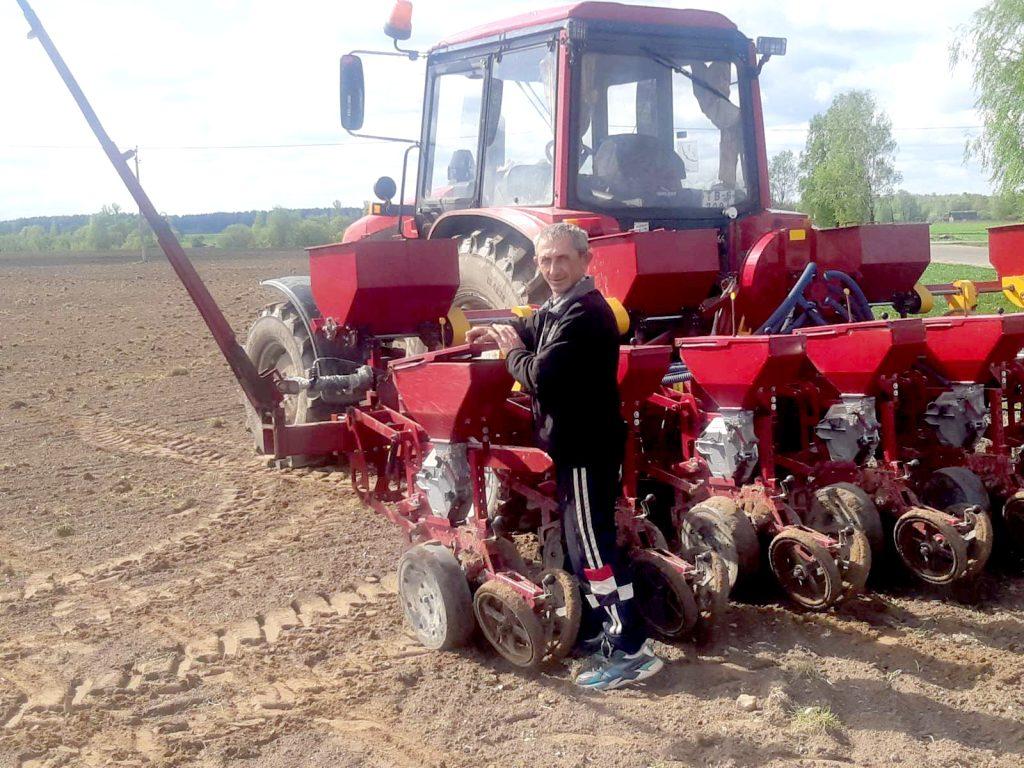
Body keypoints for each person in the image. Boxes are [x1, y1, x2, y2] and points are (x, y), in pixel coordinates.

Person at [466, 222, 663, 691]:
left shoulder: (586, 314)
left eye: (562, 260)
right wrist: (501, 330)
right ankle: (601, 629)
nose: (552, 269)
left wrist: (510, 351)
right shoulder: (562, 307)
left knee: (594, 549)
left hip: (585, 447)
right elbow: (533, 323)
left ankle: (632, 649)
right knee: (585, 548)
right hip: (578, 445)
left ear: (584, 260)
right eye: (544, 260)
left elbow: (540, 375)